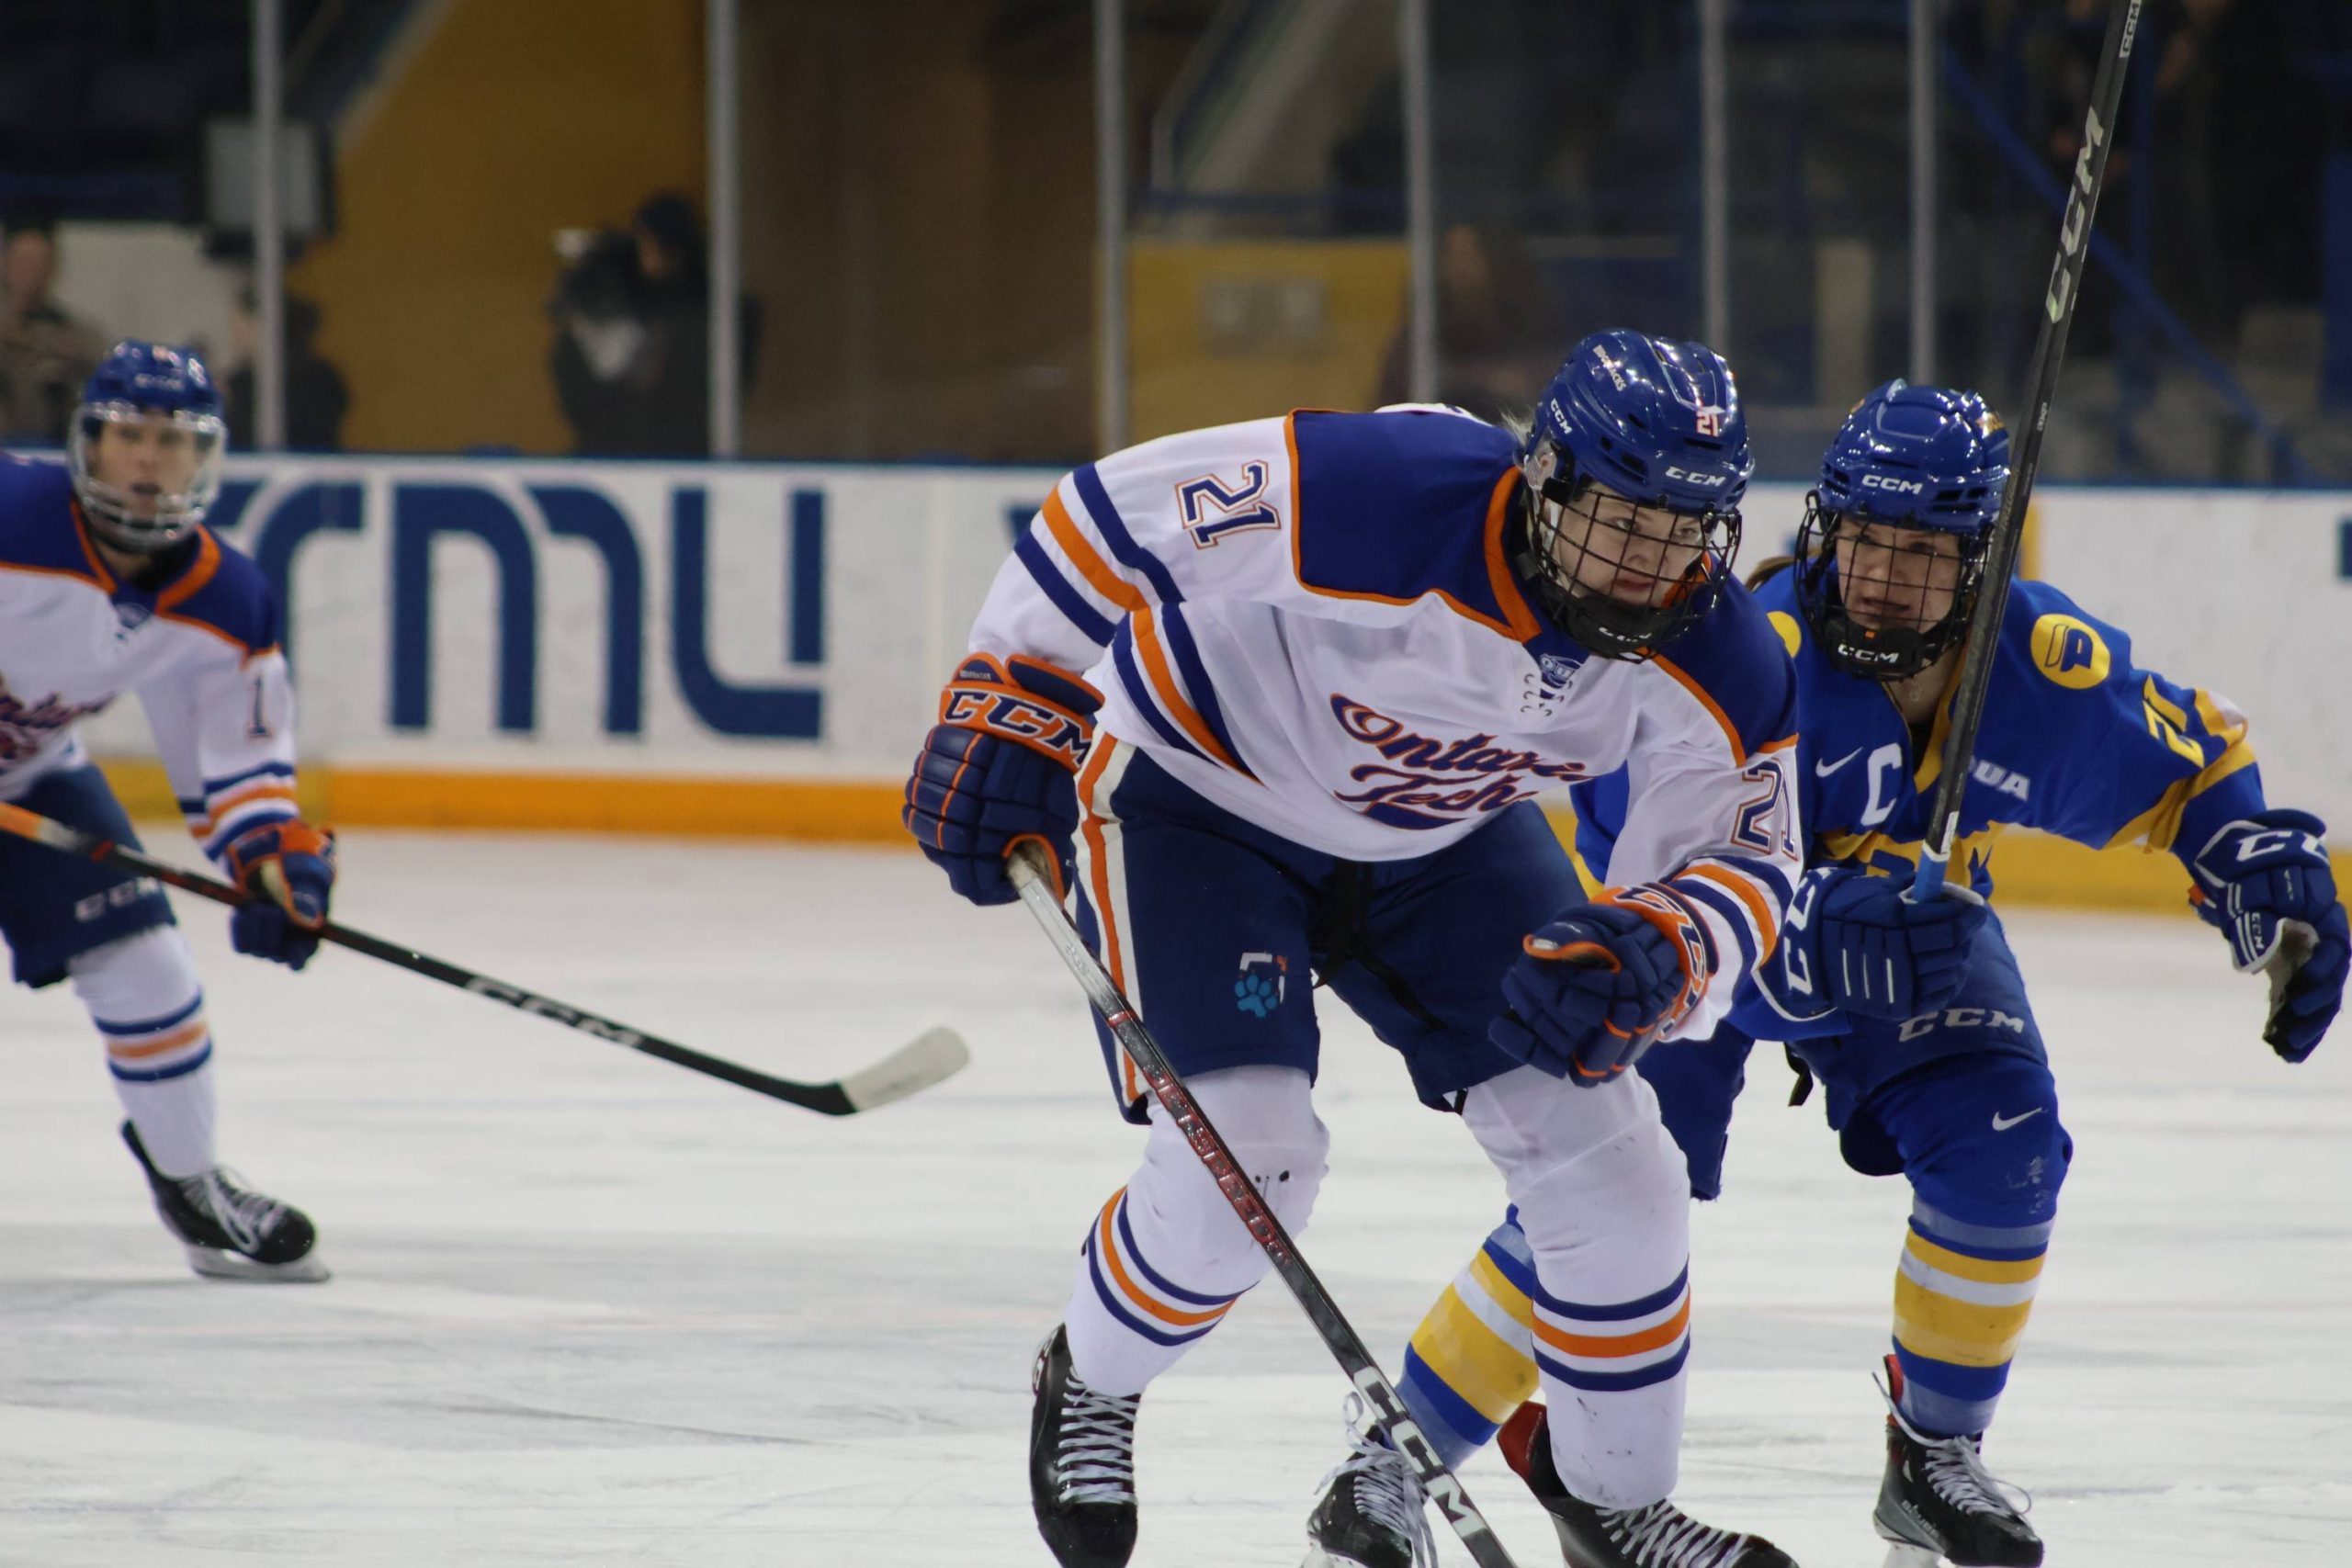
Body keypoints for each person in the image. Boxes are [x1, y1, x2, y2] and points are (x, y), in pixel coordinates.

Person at [1304, 380, 2347, 1568]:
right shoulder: (1747, 653)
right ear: (1821, 527)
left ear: (1982, 560)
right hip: (1700, 923)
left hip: (1911, 939)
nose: (1885, 576)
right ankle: (1392, 1455)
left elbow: (2195, 760)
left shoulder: (2034, 666)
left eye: (1924, 550)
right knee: (1600, 1199)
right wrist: (1790, 926)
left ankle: (1933, 1454)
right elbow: (1619, 826)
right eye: (1865, 538)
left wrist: (2256, 859)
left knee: (2008, 1147)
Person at [904, 330, 1809, 1568]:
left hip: (1446, 838)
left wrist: (1662, 946)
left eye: (1685, 530)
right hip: (1199, 800)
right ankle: (1094, 1376)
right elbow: (1106, 516)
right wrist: (1011, 688)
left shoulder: (1718, 649)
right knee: (1250, 1167)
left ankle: (1614, 1500)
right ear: (1545, 478)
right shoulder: (1383, 489)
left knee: (1620, 1171)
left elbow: (1750, 859)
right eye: (1621, 520)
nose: (1652, 562)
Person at [0, 341, 337, 1282]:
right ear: (90, 445)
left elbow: (244, 767)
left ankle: (191, 1185)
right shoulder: (9, 515)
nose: (149, 461)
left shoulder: (228, 600)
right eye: (129, 437)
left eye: (172, 442)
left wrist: (277, 865)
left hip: (26, 779)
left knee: (147, 964)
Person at [0, 215, 109, 446]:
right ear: (5, 263)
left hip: (53, 450)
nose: (30, 275)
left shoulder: (76, 337)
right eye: (22, 263)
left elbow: (106, 376)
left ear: (53, 268)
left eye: (38, 264)